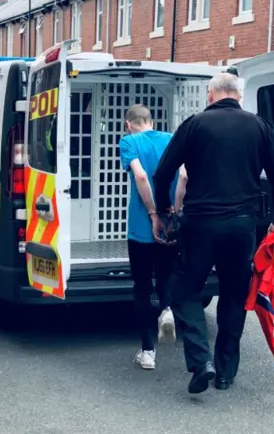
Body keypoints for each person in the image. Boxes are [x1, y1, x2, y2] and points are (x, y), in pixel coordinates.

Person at [153, 73, 274, 393]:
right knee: (233, 293)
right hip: (242, 226)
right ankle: (226, 371)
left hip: (199, 223)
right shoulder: (260, 127)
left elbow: (163, 173)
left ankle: (202, 361)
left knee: (184, 290)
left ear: (210, 93)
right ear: (240, 96)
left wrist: (163, 211)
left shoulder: (195, 124)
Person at [119, 104, 182, 370]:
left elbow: (141, 175)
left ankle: (147, 352)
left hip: (141, 229)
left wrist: (153, 213)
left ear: (128, 123)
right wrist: (175, 212)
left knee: (142, 287)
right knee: (165, 277)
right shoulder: (172, 139)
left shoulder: (129, 141)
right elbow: (186, 176)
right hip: (171, 225)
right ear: (151, 120)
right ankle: (166, 309)